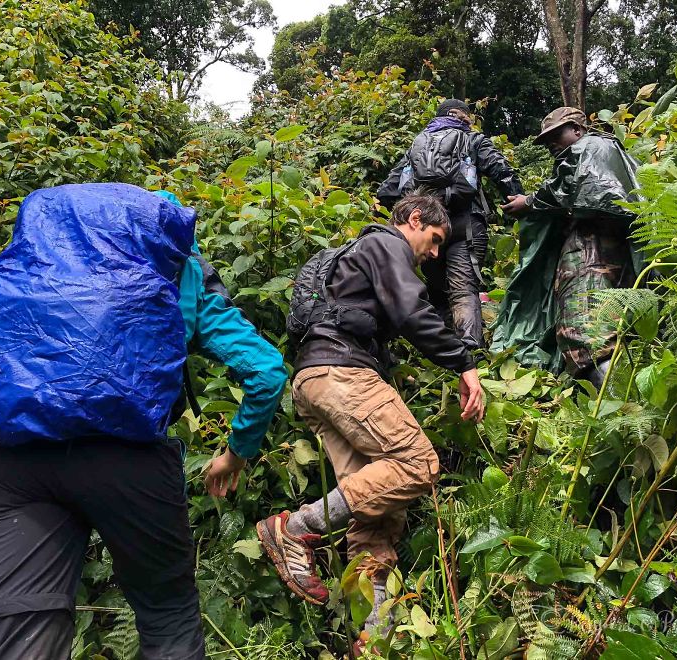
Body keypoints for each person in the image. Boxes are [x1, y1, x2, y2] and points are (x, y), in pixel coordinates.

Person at [0, 189, 287, 659]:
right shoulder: (183, 269)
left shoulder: (44, 255)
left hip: (15, 460)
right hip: (128, 458)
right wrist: (235, 453)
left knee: (19, 628)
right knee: (167, 618)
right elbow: (267, 371)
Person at [256, 193, 485, 645]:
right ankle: (294, 528)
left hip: (314, 379)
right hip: (343, 371)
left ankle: (375, 634)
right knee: (417, 463)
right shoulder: (386, 244)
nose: (435, 253)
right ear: (414, 218)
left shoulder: (358, 258)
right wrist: (464, 363)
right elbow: (411, 311)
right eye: (435, 239)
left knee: (378, 510)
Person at [498, 107, 640, 386]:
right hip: (609, 252)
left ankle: (623, 413)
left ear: (578, 129)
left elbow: (572, 190)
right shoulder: (613, 153)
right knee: (604, 328)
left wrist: (527, 202)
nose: (551, 143)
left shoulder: (588, 148)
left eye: (556, 135)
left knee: (585, 334)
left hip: (592, 254)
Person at [378, 99, 523, 349]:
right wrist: (519, 203)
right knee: (464, 288)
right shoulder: (473, 140)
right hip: (464, 224)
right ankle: (469, 351)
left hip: (425, 227)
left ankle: (442, 352)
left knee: (437, 290)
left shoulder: (418, 144)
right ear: (464, 117)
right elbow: (502, 172)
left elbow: (389, 189)